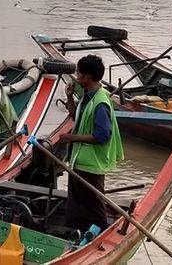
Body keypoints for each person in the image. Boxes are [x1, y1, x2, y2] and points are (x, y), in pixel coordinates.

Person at [57, 54, 123, 232]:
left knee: (94, 203)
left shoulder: (100, 102)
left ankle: (100, 235)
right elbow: (75, 118)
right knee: (76, 202)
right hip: (80, 160)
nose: (77, 77)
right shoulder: (88, 96)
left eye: (79, 74)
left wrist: (72, 138)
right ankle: (76, 233)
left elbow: (102, 135)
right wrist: (69, 97)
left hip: (92, 163)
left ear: (86, 76)